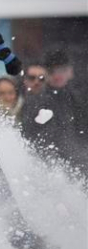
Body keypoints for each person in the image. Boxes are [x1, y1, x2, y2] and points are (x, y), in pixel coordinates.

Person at [20, 50, 86, 182]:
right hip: (46, 163)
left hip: (70, 160)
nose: (58, 75)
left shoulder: (75, 98)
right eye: (53, 71)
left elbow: (78, 131)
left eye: (62, 70)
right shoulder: (33, 99)